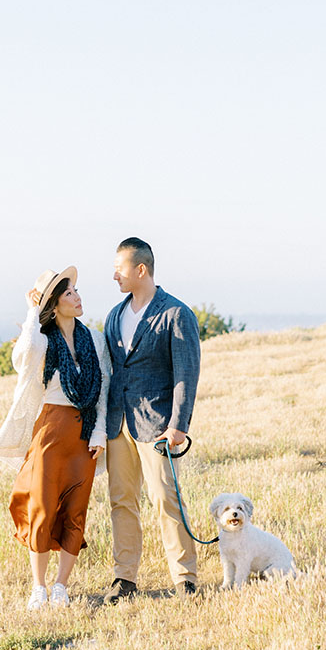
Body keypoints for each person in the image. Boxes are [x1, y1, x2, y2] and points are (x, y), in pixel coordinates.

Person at [0, 266, 110, 610]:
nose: (78, 296)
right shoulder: (42, 341)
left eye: (75, 291)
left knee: (76, 511)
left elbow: (103, 387)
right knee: (42, 507)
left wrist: (99, 431)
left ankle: (61, 586)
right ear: (54, 305)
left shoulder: (95, 339)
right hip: (50, 431)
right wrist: (31, 311)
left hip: (84, 433)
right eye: (69, 293)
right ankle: (38, 587)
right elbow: (23, 354)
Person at [103, 237, 201, 602]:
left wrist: (179, 425)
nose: (114, 275)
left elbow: (186, 373)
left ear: (140, 269)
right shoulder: (115, 315)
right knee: (121, 501)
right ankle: (124, 578)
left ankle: (184, 577)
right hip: (119, 425)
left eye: (119, 268)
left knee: (166, 500)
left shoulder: (177, 313)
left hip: (158, 425)